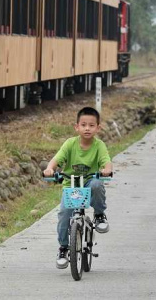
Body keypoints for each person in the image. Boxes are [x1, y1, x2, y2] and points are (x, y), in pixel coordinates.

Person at [43, 107, 113, 269]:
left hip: (89, 181)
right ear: (76, 127)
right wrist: (50, 169)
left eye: (91, 125)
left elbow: (106, 160)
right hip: (71, 184)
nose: (87, 128)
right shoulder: (70, 144)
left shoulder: (99, 145)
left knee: (97, 184)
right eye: (83, 125)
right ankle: (63, 248)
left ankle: (100, 214)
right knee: (63, 215)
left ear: (98, 128)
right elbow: (57, 159)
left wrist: (106, 169)